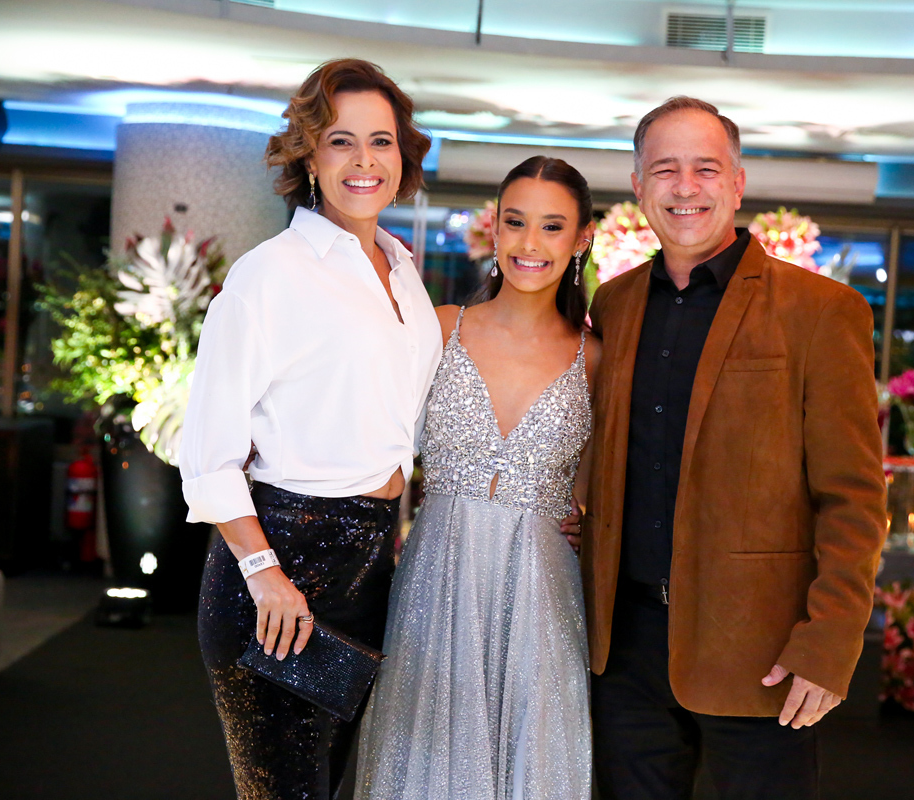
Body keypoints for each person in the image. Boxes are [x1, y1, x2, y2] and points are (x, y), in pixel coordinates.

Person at [573, 97, 887, 799]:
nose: (685, 187)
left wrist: (830, 641)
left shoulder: (820, 311)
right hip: (625, 655)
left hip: (762, 653)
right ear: (639, 186)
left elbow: (854, 497)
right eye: (665, 169)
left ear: (738, 183)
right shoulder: (614, 304)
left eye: (706, 169)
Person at [178, 59, 439, 800]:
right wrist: (265, 575)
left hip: (370, 563)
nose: (364, 161)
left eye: (381, 142)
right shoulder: (270, 274)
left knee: (330, 785)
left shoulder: (402, 269)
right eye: (340, 141)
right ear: (309, 156)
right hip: (281, 568)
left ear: (403, 155)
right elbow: (208, 454)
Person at [355, 156, 601, 800]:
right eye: (515, 222)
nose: (529, 243)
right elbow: (372, 443)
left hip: (542, 594)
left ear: (582, 239)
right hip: (436, 577)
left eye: (552, 226)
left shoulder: (595, 358)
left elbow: (603, 488)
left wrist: (590, 525)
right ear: (495, 228)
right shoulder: (440, 327)